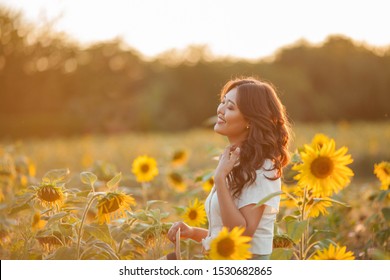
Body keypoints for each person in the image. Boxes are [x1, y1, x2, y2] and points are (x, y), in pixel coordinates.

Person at [167, 77, 291, 260]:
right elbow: (224, 236)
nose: (221, 110)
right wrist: (193, 232)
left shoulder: (264, 167)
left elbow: (240, 236)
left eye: (231, 107)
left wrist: (219, 179)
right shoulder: (235, 160)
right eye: (223, 102)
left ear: (250, 120)